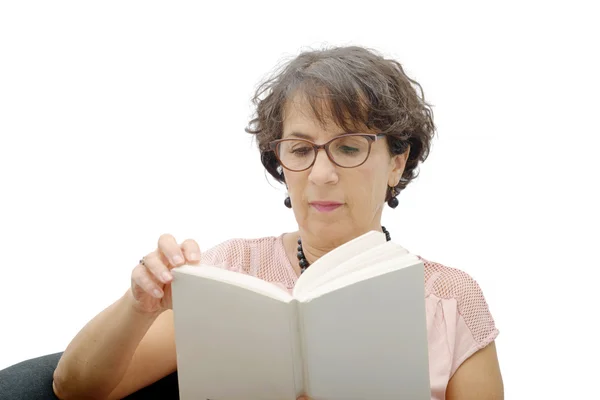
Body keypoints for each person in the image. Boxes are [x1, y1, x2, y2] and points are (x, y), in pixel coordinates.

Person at [1, 45, 503, 400]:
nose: (321, 175)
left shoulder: (453, 299)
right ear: (279, 161)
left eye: (348, 147)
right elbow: (74, 389)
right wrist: (137, 305)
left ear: (397, 160)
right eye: (301, 149)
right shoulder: (233, 270)